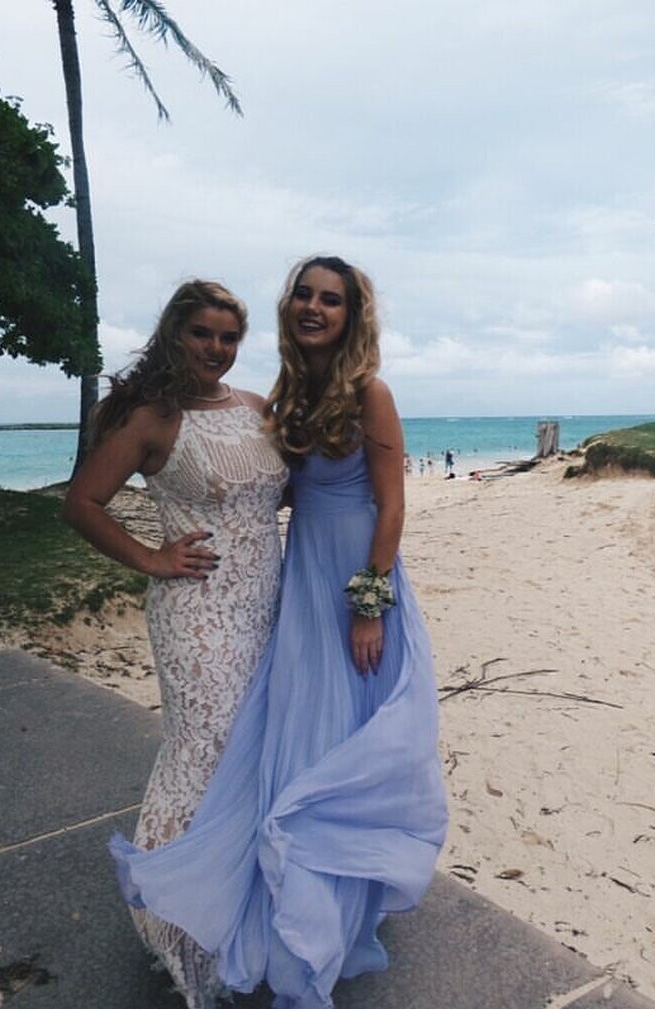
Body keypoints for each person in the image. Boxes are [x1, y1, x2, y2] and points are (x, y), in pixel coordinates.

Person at [109, 256, 448, 1009]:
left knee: (350, 741)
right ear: (289, 305)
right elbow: (259, 486)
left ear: (353, 316)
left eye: (332, 299)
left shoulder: (370, 392)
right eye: (304, 293)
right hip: (299, 584)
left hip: (356, 580)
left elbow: (392, 506)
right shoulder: (290, 396)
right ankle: (288, 904)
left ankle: (336, 910)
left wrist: (370, 603)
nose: (314, 307)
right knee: (303, 741)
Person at [62, 280, 288, 1006]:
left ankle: (235, 909)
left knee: (252, 755)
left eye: (229, 337)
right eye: (202, 334)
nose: (216, 349)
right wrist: (152, 558)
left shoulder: (255, 408)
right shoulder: (151, 417)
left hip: (267, 605)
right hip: (196, 613)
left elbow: (279, 494)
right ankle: (171, 922)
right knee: (204, 753)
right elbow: (82, 503)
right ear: (174, 335)